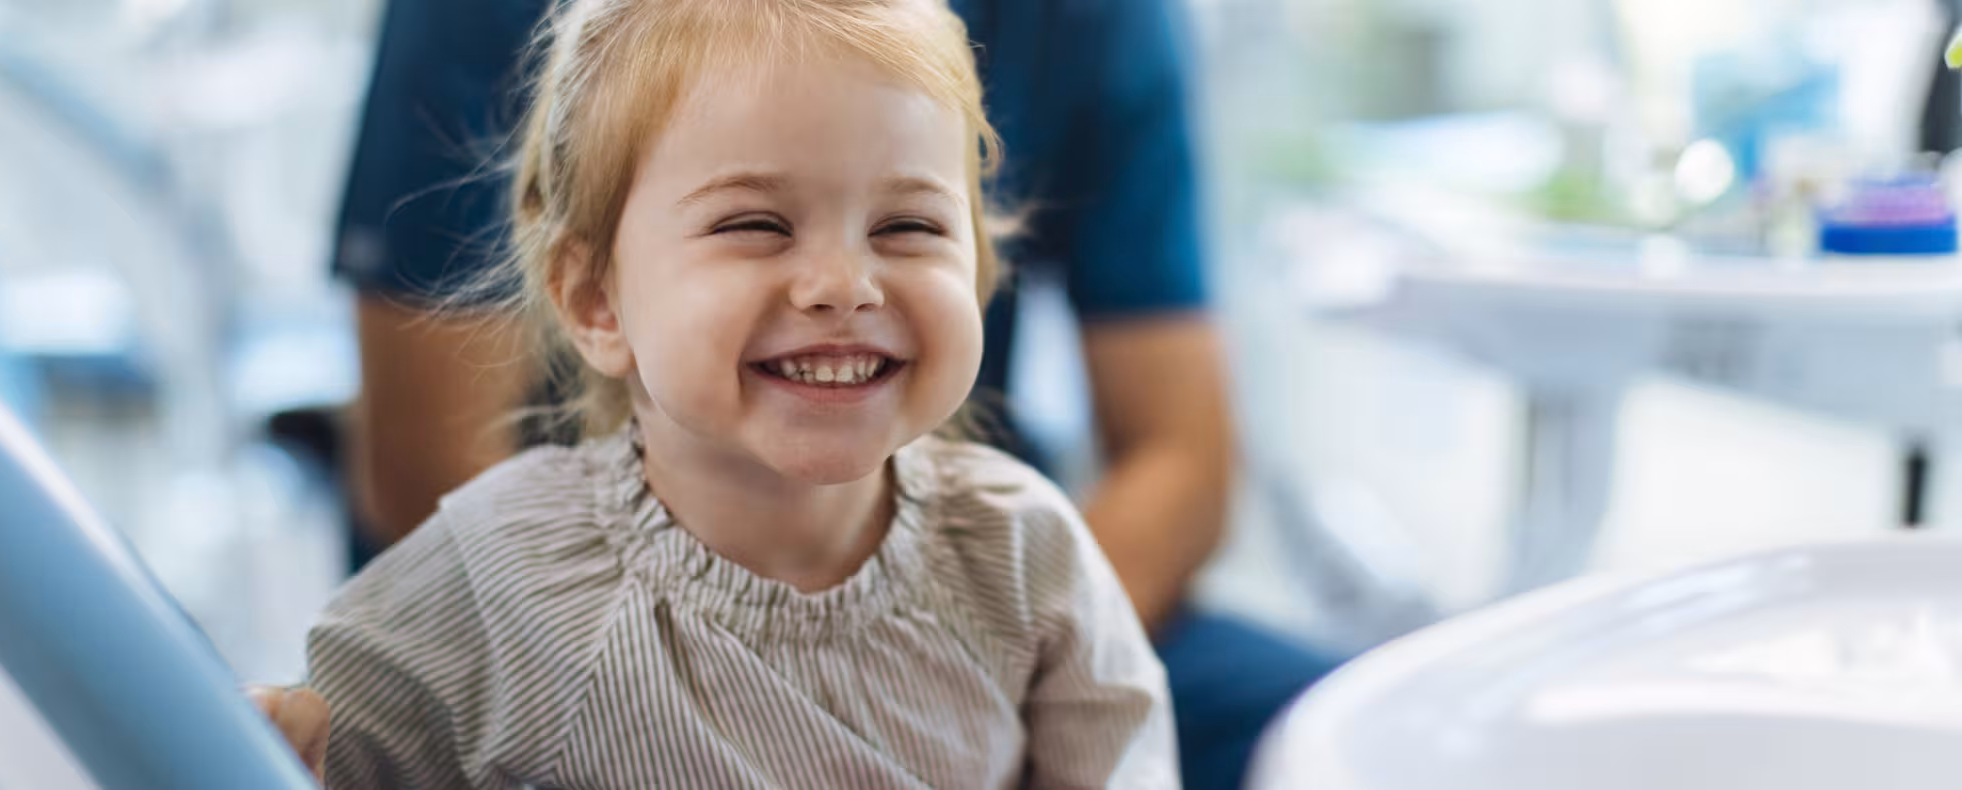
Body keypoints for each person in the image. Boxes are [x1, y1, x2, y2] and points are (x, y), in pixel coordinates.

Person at [325, 0, 1340, 786]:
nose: (844, 284)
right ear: (595, 300)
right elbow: (295, 733)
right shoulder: (496, 569)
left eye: (907, 229)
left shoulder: (1032, 559)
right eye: (755, 225)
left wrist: (964, 661)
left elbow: (1185, 456)